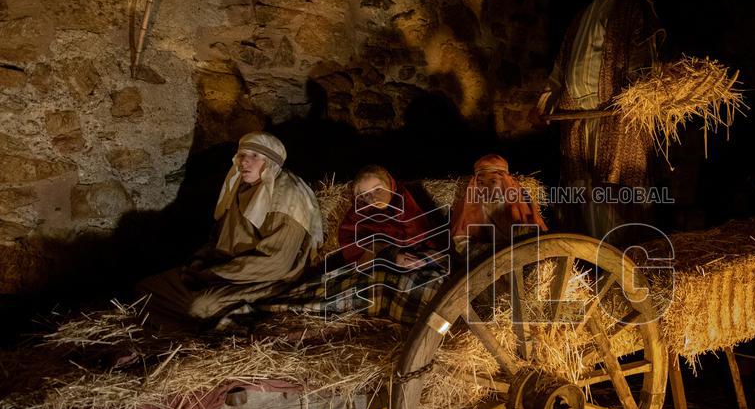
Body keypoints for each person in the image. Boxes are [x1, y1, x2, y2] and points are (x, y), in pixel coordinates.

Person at [538, 0, 664, 240]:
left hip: (615, 116)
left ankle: (621, 253)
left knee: (616, 185)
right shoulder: (580, 17)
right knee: (581, 188)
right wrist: (546, 102)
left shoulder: (631, 7)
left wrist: (634, 97)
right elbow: (561, 68)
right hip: (577, 118)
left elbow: (642, 58)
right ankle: (586, 254)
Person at [137, 132, 323, 330]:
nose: (244, 162)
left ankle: (194, 329)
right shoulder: (239, 186)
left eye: (255, 156)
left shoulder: (287, 197)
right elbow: (218, 239)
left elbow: (277, 263)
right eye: (242, 155)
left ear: (270, 162)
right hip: (225, 269)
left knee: (200, 307)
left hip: (267, 279)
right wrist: (200, 263)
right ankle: (180, 326)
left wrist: (215, 274)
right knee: (147, 289)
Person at [266, 165, 448, 325]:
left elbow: (426, 238)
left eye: (377, 189)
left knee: (423, 284)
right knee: (335, 288)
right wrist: (390, 255)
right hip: (375, 268)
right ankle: (282, 305)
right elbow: (356, 252)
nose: (372, 197)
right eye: (365, 194)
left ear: (390, 185)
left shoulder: (408, 204)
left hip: (416, 261)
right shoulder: (358, 217)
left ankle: (429, 321)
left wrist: (415, 258)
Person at [450, 154, 548, 257]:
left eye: (493, 181)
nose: (487, 187)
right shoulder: (471, 206)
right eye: (481, 182)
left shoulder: (519, 204)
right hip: (487, 260)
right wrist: (495, 250)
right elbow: (461, 243)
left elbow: (535, 238)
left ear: (505, 181)